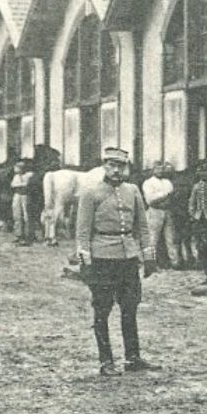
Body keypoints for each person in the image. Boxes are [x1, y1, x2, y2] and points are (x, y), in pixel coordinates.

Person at [74, 147, 157, 376]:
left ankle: (133, 357)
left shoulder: (133, 191)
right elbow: (82, 231)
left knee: (130, 308)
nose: (116, 170)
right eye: (111, 165)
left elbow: (142, 227)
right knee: (102, 310)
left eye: (120, 166)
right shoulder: (91, 193)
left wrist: (148, 256)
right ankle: (106, 361)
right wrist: (85, 260)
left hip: (128, 257)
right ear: (104, 166)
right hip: (102, 258)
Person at [141, 161, 180, 270]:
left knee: (171, 238)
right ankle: (151, 263)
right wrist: (165, 196)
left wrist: (164, 198)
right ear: (153, 170)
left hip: (167, 211)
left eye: (161, 169)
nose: (160, 171)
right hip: (155, 211)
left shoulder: (167, 182)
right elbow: (150, 200)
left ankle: (175, 262)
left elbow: (172, 196)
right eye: (157, 169)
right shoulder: (148, 183)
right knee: (153, 238)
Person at [10, 159, 34, 245]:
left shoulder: (28, 175)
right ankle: (18, 234)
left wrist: (19, 184)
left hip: (25, 195)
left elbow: (25, 185)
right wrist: (20, 184)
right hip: (17, 195)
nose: (16, 169)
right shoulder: (16, 176)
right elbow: (13, 185)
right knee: (17, 215)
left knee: (26, 216)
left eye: (19, 167)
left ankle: (28, 235)